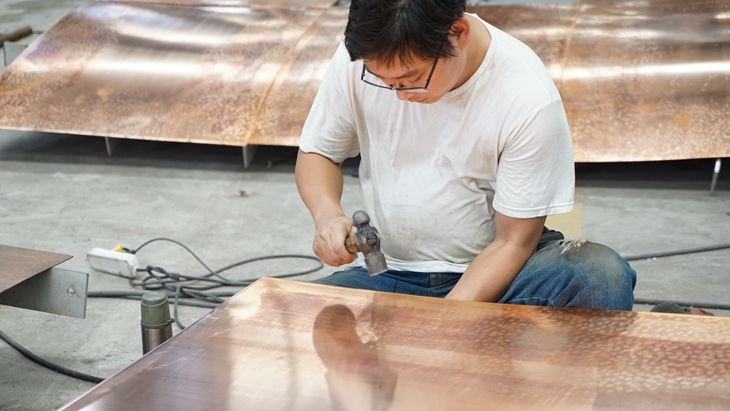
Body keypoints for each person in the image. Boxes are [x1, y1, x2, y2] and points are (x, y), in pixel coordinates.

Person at [295, 0, 636, 310]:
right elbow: (319, 151)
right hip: (389, 275)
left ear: (458, 34)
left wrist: (441, 325)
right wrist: (327, 216)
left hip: (498, 278)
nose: (398, 95)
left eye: (409, 79)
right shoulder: (367, 55)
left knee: (597, 272)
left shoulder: (526, 95)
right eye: (381, 80)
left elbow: (513, 243)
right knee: (295, 316)